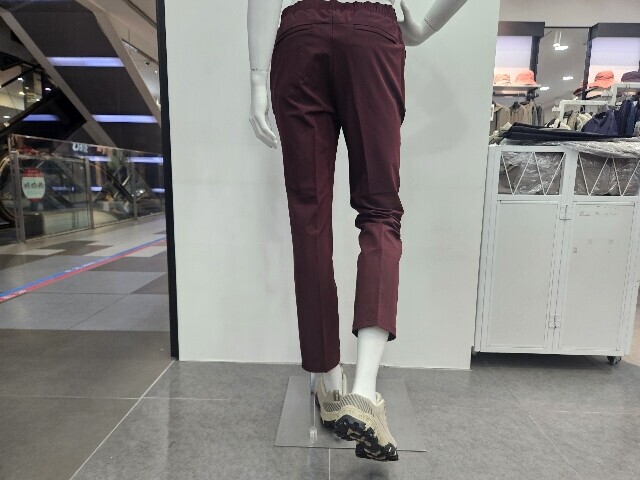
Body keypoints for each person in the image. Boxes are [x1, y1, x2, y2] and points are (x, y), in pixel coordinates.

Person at [247, 0, 467, 462]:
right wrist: (423, 27)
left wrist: (256, 77)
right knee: (380, 211)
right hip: (372, 35)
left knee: (309, 222)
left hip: (299, 38)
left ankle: (330, 386)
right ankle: (364, 391)